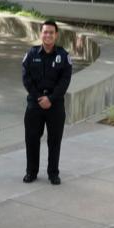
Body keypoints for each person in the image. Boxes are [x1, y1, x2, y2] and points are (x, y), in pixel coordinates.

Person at [21, 20, 72, 185]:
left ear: (56, 35)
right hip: (34, 105)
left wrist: (50, 99)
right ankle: (31, 172)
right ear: (40, 34)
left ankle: (53, 173)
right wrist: (39, 98)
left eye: (51, 32)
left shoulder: (63, 56)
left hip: (55, 105)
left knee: (54, 140)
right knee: (32, 139)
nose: (48, 35)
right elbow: (26, 79)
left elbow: (64, 81)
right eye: (45, 32)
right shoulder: (31, 54)